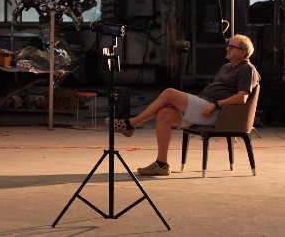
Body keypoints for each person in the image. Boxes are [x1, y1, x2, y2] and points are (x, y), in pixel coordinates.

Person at [110, 34, 261, 176]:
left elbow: (242, 98)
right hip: (204, 106)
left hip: (217, 113)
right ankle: (161, 164)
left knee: (169, 93)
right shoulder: (226, 67)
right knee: (164, 114)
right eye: (228, 45)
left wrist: (215, 104)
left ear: (243, 52)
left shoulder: (248, 69)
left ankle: (131, 124)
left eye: (232, 47)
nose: (227, 48)